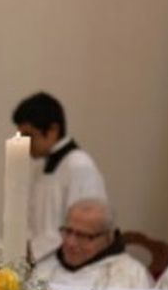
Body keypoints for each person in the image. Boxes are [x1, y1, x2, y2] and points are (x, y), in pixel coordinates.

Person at [12, 91, 107, 262]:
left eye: (29, 136)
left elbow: (83, 227)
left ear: (53, 130)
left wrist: (31, 251)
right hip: (40, 261)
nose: (24, 144)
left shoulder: (79, 166)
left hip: (70, 263)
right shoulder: (39, 166)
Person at [32, 198, 153, 290]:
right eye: (68, 232)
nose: (71, 242)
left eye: (82, 236)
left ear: (107, 238)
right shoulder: (43, 270)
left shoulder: (132, 277)